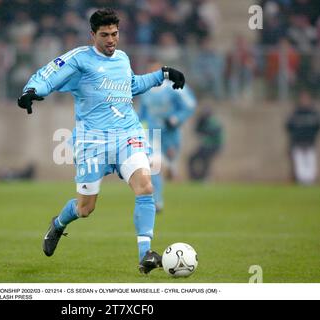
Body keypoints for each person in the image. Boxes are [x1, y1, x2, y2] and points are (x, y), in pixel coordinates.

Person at [17, 8, 186, 274]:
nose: (111, 40)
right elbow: (50, 72)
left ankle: (145, 255)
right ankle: (59, 224)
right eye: (105, 35)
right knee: (85, 208)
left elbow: (130, 86)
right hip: (92, 142)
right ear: (92, 34)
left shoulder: (122, 59)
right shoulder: (80, 59)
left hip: (127, 135)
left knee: (145, 186)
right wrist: (32, 91)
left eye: (115, 34)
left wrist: (162, 74)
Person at [139, 61, 197, 212]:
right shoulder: (146, 91)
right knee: (154, 166)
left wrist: (176, 119)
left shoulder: (173, 88)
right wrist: (139, 129)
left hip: (171, 134)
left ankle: (172, 168)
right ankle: (157, 202)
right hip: (153, 134)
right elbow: (143, 114)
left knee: (169, 163)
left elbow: (190, 105)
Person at [286, 91, 320, 185]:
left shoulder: (313, 112)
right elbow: (288, 125)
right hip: (298, 142)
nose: (304, 101)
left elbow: (317, 126)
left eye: (306, 99)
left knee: (310, 162)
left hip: (310, 142)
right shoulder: (295, 112)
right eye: (302, 99)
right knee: (299, 163)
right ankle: (302, 181)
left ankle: (309, 181)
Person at [188, 107, 223, 181]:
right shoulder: (204, 121)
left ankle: (204, 178)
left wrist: (202, 127)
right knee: (192, 159)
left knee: (205, 160)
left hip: (214, 146)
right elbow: (197, 131)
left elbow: (211, 132)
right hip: (206, 146)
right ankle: (196, 178)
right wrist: (199, 122)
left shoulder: (213, 121)